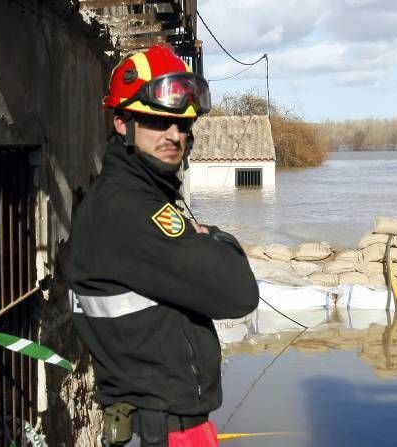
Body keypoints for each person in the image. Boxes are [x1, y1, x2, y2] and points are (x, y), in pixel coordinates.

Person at [66, 45, 259, 447]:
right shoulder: (129, 210)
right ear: (122, 123)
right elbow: (240, 295)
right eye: (158, 122)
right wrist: (221, 239)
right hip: (162, 430)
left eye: (183, 125)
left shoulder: (138, 197)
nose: (175, 136)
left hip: (163, 422)